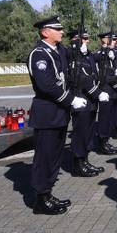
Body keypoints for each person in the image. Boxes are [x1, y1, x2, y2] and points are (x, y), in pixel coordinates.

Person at [27, 15, 86, 215]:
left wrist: (80, 48)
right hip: (47, 113)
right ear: (45, 32)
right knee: (44, 157)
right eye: (57, 29)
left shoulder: (58, 50)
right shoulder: (39, 54)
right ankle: (40, 199)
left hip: (59, 113)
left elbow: (72, 55)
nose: (62, 32)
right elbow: (47, 86)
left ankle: (48, 193)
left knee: (55, 157)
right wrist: (71, 100)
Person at [67, 31, 108, 178]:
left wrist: (106, 46)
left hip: (90, 101)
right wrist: (74, 48)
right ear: (75, 40)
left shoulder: (86, 54)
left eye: (87, 38)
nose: (87, 41)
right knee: (80, 133)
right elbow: (81, 78)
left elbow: (97, 62)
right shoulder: (73, 55)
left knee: (88, 132)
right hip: (81, 99)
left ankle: (85, 160)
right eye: (84, 38)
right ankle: (78, 164)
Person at [93, 31, 117, 156]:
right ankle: (102, 143)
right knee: (104, 118)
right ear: (104, 40)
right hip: (105, 90)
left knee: (110, 117)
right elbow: (103, 75)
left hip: (113, 90)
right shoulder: (100, 54)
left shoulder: (112, 53)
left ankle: (106, 140)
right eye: (112, 39)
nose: (115, 41)